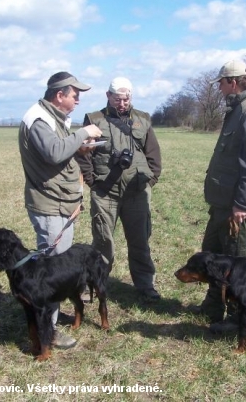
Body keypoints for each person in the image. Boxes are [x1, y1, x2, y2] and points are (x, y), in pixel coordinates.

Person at [18, 71, 102, 349]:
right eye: (75, 95)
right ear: (59, 95)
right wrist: (83, 133)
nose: (78, 101)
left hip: (61, 203)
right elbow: (53, 152)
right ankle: (48, 332)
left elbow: (58, 154)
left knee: (56, 267)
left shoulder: (53, 118)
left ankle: (49, 322)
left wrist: (80, 148)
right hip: (50, 204)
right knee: (52, 273)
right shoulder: (40, 120)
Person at [198, 59, 246, 331]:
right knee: (213, 254)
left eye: (220, 83)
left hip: (235, 207)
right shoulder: (238, 108)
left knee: (236, 262)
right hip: (222, 204)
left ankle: (237, 316)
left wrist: (243, 204)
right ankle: (213, 304)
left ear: (232, 81)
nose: (218, 88)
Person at [76, 77, 162, 302]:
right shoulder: (94, 120)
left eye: (126, 99)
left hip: (137, 193)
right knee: (103, 243)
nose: (122, 103)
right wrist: (92, 181)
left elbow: (153, 155)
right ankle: (94, 285)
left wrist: (150, 181)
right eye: (117, 99)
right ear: (108, 96)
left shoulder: (143, 119)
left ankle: (146, 286)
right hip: (105, 193)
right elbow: (83, 152)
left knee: (140, 242)